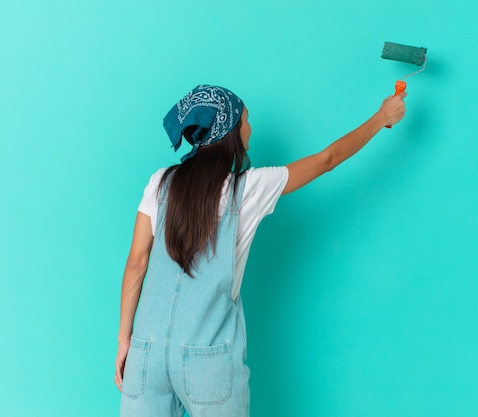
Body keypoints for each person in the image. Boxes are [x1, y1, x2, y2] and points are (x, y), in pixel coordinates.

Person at [115, 84, 407, 417]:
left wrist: (126, 340)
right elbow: (328, 160)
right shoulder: (249, 189)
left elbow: (137, 262)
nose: (250, 128)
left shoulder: (160, 181)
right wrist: (381, 117)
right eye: (246, 120)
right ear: (230, 132)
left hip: (145, 355)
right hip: (206, 360)